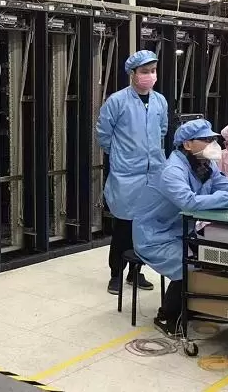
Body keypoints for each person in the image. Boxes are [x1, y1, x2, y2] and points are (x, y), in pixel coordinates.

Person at [131, 119, 228, 336]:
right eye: (206, 139)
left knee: (217, 256)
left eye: (213, 139)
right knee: (189, 265)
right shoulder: (172, 170)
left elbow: (226, 189)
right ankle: (166, 316)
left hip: (182, 231)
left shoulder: (206, 165)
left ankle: (194, 307)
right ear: (187, 144)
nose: (212, 144)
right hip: (155, 236)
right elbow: (188, 202)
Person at [96, 50, 168, 295]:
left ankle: (136, 272)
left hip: (153, 174)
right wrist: (120, 155)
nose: (150, 75)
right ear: (133, 73)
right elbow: (103, 133)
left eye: (153, 71)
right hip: (126, 175)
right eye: (145, 71)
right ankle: (116, 274)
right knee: (124, 228)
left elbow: (162, 131)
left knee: (145, 228)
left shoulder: (160, 101)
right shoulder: (117, 101)